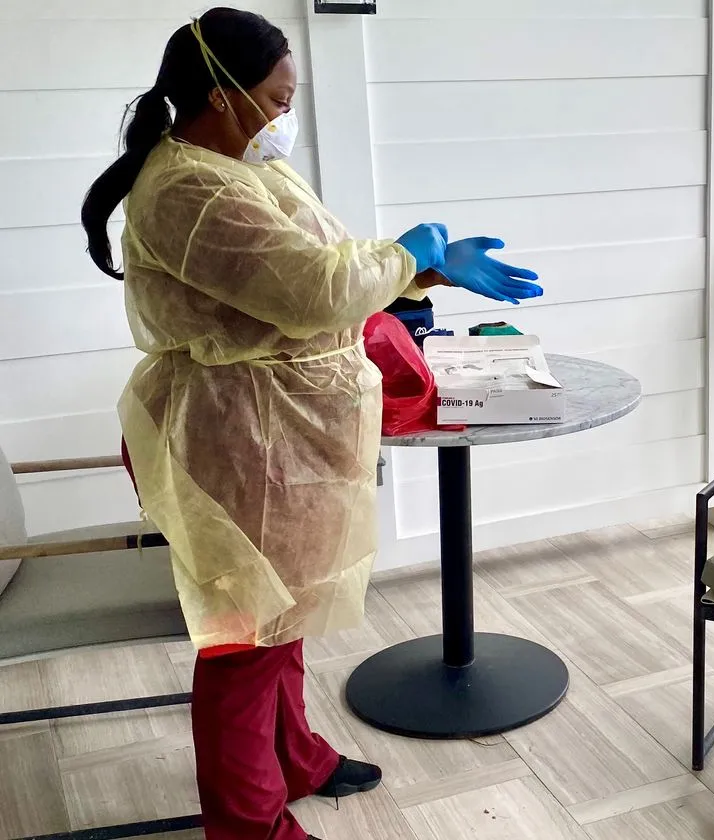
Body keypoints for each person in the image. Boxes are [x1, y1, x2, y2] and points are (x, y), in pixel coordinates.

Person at [79, 8, 541, 840]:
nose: (286, 115)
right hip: (235, 439)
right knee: (243, 645)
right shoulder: (190, 188)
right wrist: (409, 251)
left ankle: (296, 758)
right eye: (277, 99)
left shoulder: (242, 167)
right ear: (222, 96)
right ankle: (250, 826)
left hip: (278, 429)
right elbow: (315, 293)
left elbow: (321, 266)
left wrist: (425, 272)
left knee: (281, 620)